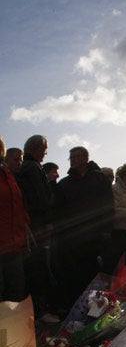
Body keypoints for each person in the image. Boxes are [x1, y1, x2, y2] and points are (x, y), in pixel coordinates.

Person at [54, 146, 114, 307]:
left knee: (91, 272)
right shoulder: (64, 184)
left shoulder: (99, 179)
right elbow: (59, 210)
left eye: (76, 156)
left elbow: (108, 204)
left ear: (86, 158)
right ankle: (72, 308)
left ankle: (93, 307)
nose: (73, 160)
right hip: (72, 238)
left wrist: (107, 228)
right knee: (72, 274)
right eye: (71, 157)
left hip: (94, 235)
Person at [16, 134, 57, 318]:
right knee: (39, 268)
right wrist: (48, 220)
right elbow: (41, 199)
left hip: (31, 225)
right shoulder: (32, 168)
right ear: (35, 148)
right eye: (44, 148)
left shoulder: (27, 167)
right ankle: (39, 310)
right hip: (38, 226)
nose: (46, 152)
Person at [0, 135, 28, 301]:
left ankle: (12, 327)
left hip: (13, 243)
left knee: (16, 291)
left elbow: (16, 203)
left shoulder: (7, 174)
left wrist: (24, 221)